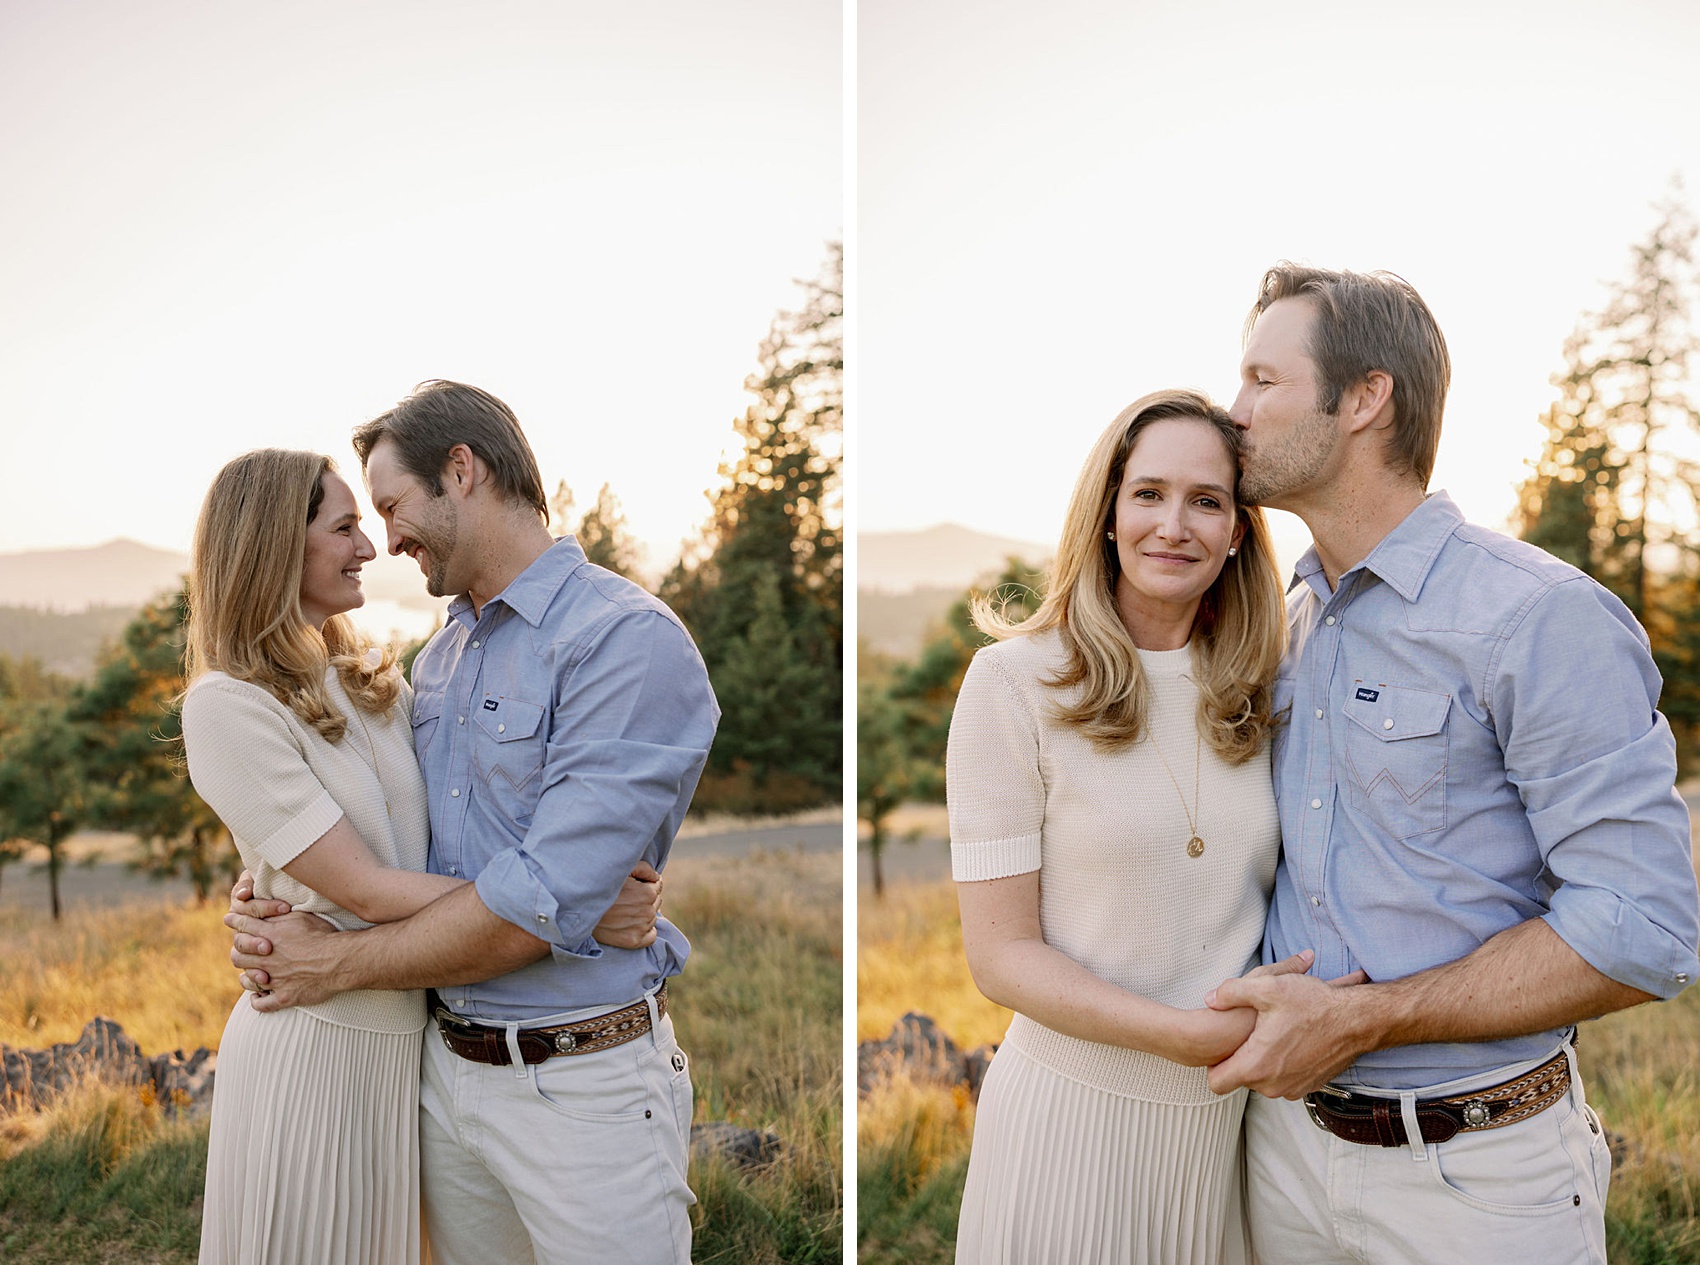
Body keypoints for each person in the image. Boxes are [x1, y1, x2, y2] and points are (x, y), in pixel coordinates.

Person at [1204, 263, 1700, 1264]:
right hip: (1279, 1157)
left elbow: (1641, 924)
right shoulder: (1279, 625)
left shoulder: (1536, 617)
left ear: (1365, 398)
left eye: (1262, 380)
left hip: (1475, 1181)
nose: (1232, 412)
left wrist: (1363, 1019)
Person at [225, 382, 718, 1265]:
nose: (385, 539)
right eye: (362, 519)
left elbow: (539, 899)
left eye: (391, 506)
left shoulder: (624, 640)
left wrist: (332, 960)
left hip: (584, 1087)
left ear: (462, 470)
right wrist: (271, 881)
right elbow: (387, 844)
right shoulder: (439, 659)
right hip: (440, 1078)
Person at [946, 388, 1325, 1263]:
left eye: (1207, 500)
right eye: (1148, 493)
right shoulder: (1014, 684)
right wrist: (1189, 1035)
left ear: (1238, 530)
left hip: (1223, 1131)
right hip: (1070, 1123)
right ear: (1108, 511)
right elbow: (1000, 957)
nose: (1174, 525)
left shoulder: (1262, 685)